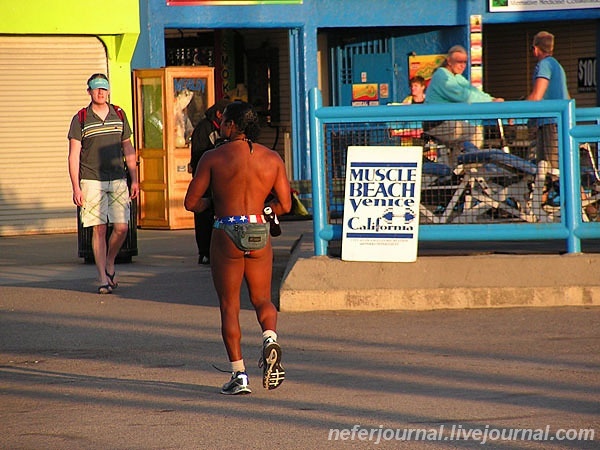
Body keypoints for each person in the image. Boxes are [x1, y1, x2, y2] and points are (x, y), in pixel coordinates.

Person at [184, 101, 291, 395]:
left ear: (231, 125)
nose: (219, 127)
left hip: (226, 231)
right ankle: (270, 339)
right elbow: (285, 203)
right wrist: (266, 210)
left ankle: (239, 375)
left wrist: (214, 204)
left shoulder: (213, 157)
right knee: (261, 299)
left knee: (229, 305)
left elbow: (191, 202)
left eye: (223, 123)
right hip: (258, 228)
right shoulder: (272, 158)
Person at [68, 74, 139, 294]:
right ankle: (102, 278)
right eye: (96, 89)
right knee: (98, 229)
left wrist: (135, 179)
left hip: (118, 179)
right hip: (91, 180)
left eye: (104, 89)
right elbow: (73, 155)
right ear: (88, 91)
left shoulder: (119, 114)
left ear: (109, 91)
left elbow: (128, 148)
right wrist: (76, 187)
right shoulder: (80, 118)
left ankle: (110, 261)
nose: (101, 93)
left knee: (122, 227)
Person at [424, 45, 503, 160]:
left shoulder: (456, 77)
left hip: (446, 123)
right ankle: (467, 169)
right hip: (437, 123)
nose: (462, 65)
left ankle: (455, 171)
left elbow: (472, 90)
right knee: (475, 133)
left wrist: (491, 99)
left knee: (463, 141)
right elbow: (462, 95)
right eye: (458, 62)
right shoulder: (442, 75)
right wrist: (490, 101)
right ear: (449, 62)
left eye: (465, 62)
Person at [189, 98, 231, 265]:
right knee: (203, 215)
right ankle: (205, 252)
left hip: (223, 179)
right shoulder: (203, 129)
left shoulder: (228, 130)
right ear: (219, 114)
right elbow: (199, 156)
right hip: (205, 178)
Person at [526, 31, 569, 172]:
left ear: (536, 48)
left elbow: (537, 95)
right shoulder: (557, 66)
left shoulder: (544, 65)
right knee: (556, 169)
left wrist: (515, 113)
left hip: (550, 123)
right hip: (559, 122)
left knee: (551, 170)